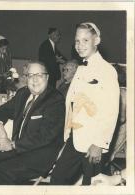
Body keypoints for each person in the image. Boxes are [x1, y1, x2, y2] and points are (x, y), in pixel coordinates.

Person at [0, 61, 65, 185]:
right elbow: (1, 111)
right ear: (26, 78)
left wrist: (13, 145)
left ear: (47, 77)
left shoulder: (55, 99)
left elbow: (46, 136)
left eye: (39, 75)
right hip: (19, 150)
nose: (34, 80)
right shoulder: (23, 94)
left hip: (40, 154)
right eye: (30, 75)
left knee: (1, 171)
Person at [50, 22, 120, 185]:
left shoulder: (107, 70)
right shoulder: (80, 69)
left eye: (85, 40)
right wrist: (68, 132)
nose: (80, 45)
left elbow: (111, 110)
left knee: (91, 185)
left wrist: (99, 144)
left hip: (92, 142)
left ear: (96, 41)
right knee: (57, 180)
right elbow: (73, 103)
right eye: (77, 41)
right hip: (75, 138)